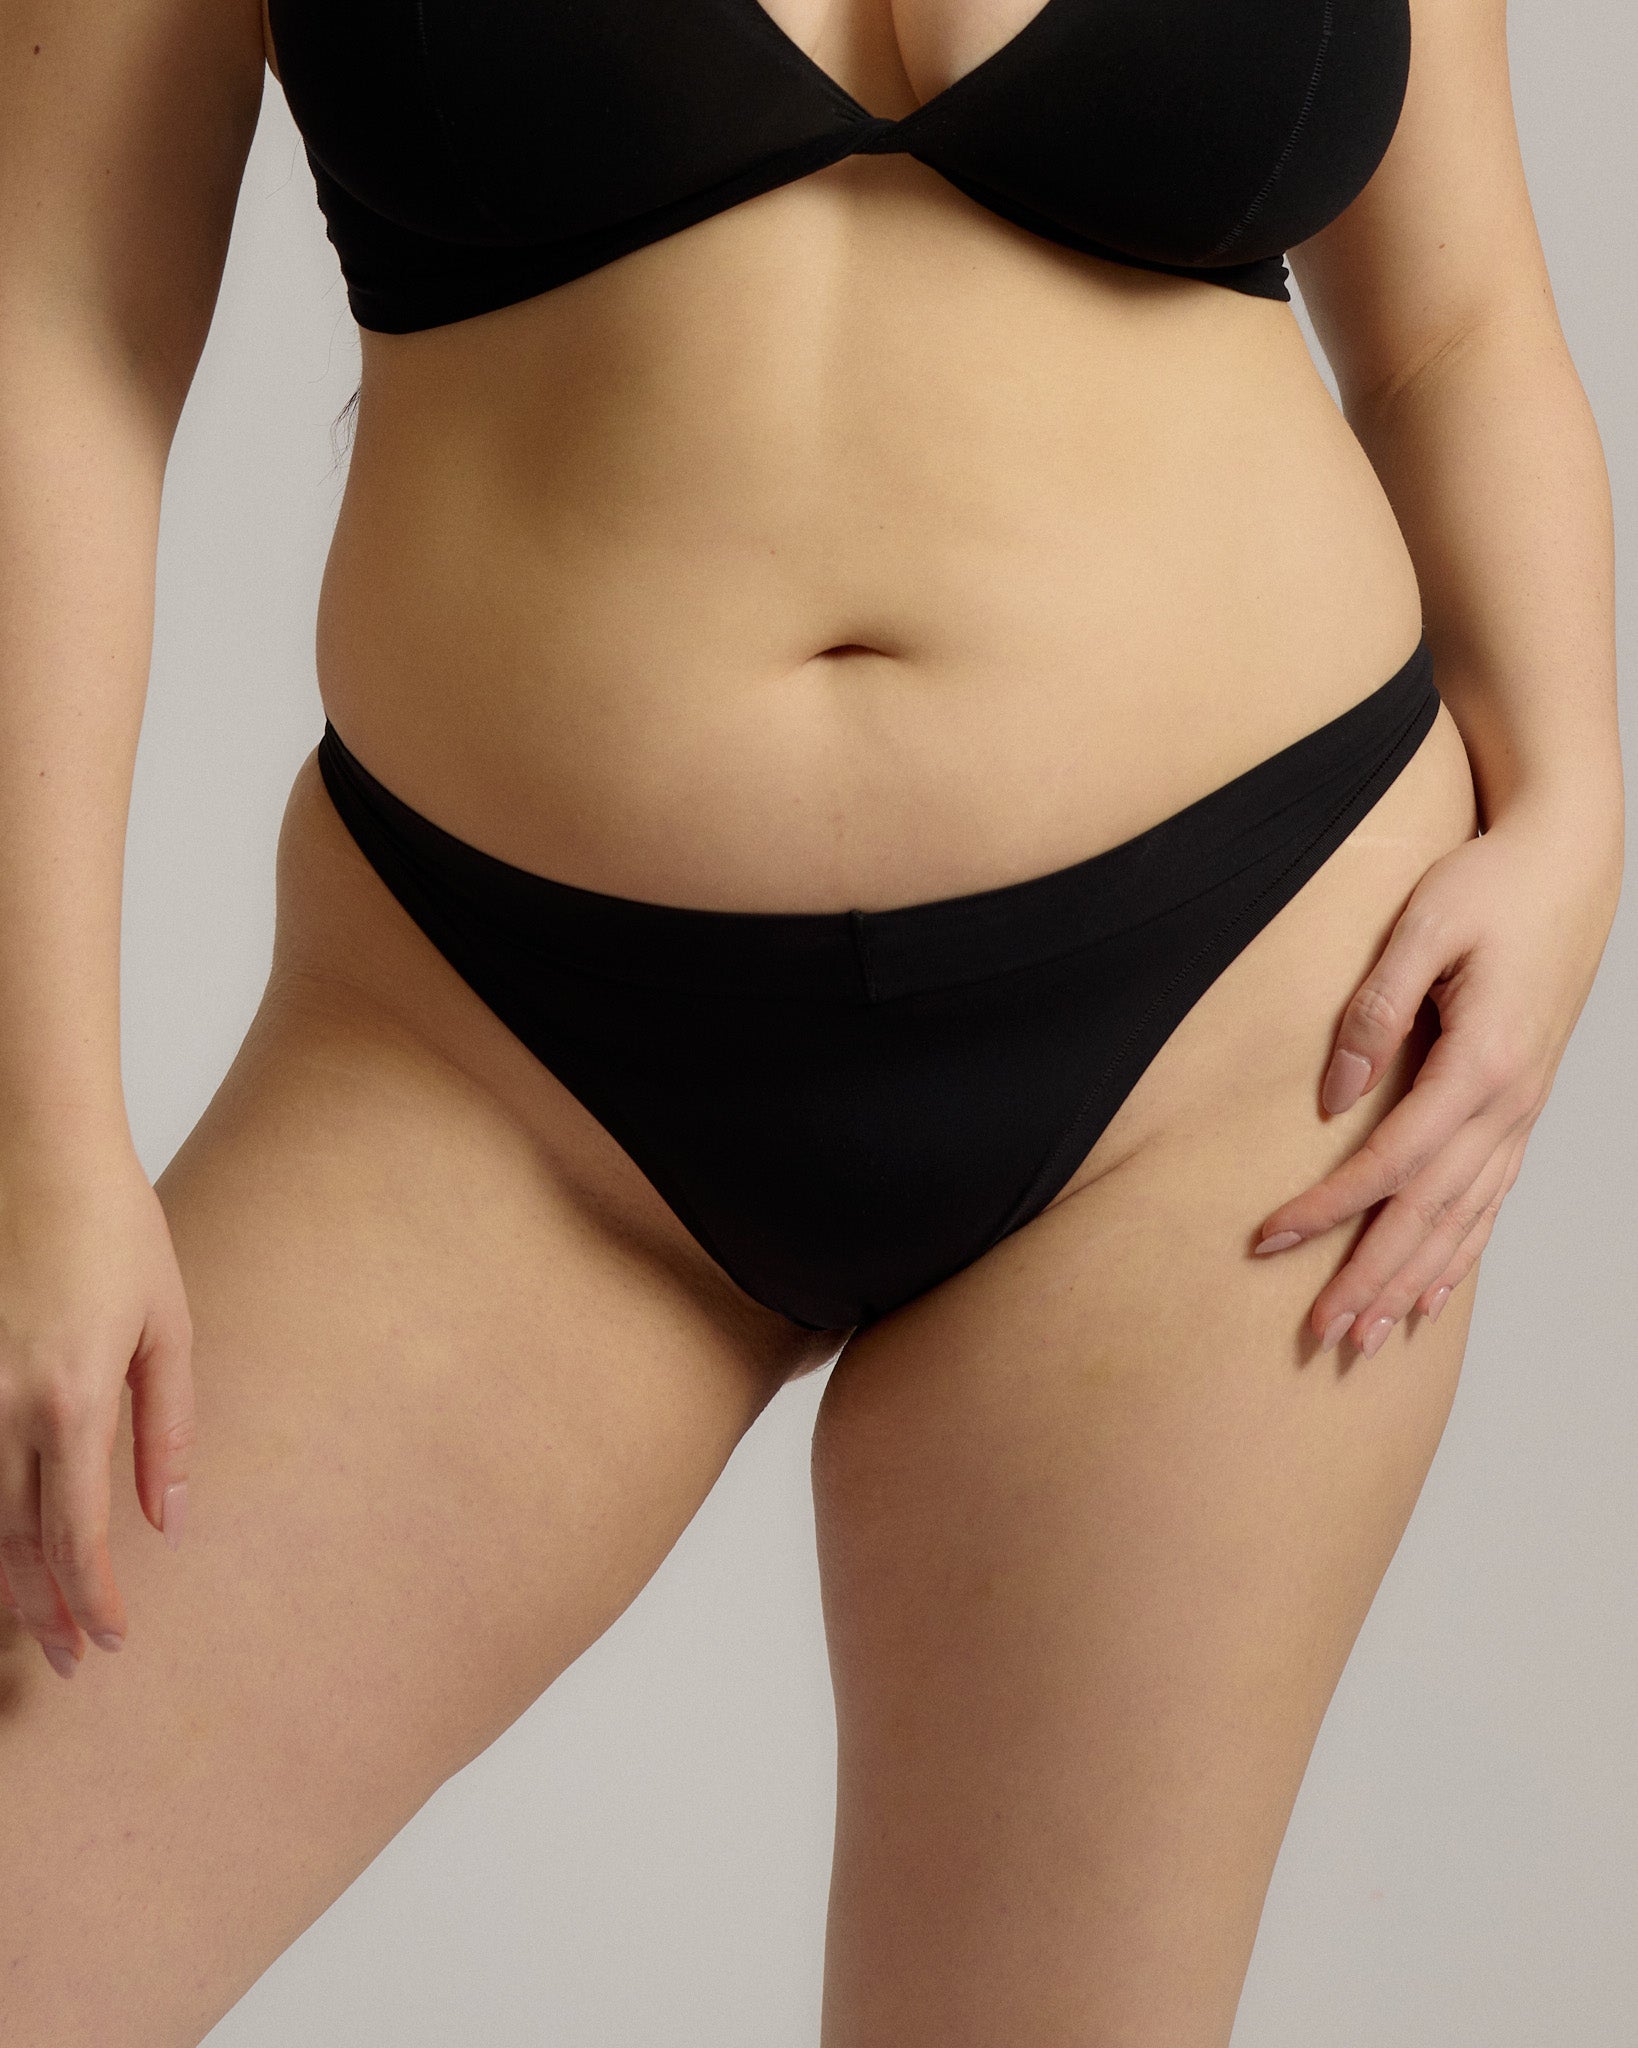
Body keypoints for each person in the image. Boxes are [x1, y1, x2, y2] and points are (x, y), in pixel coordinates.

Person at [0, 0, 1622, 2041]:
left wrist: (1574, 807)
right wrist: (38, 1140)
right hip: (494, 1061)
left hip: (1245, 1031)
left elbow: (1451, 323)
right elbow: (50, 337)